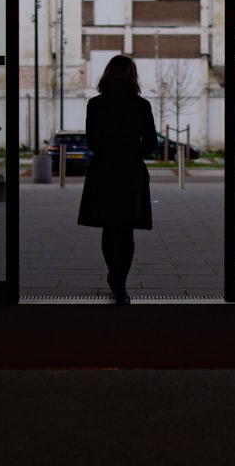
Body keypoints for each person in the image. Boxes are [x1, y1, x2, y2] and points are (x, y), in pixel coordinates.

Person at [77, 54, 158, 306]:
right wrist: (133, 153)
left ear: (107, 75)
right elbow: (152, 143)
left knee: (108, 226)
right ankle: (121, 283)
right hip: (130, 172)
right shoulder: (141, 106)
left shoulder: (95, 105)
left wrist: (108, 152)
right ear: (132, 76)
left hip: (103, 170)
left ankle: (114, 275)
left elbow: (91, 141)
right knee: (126, 229)